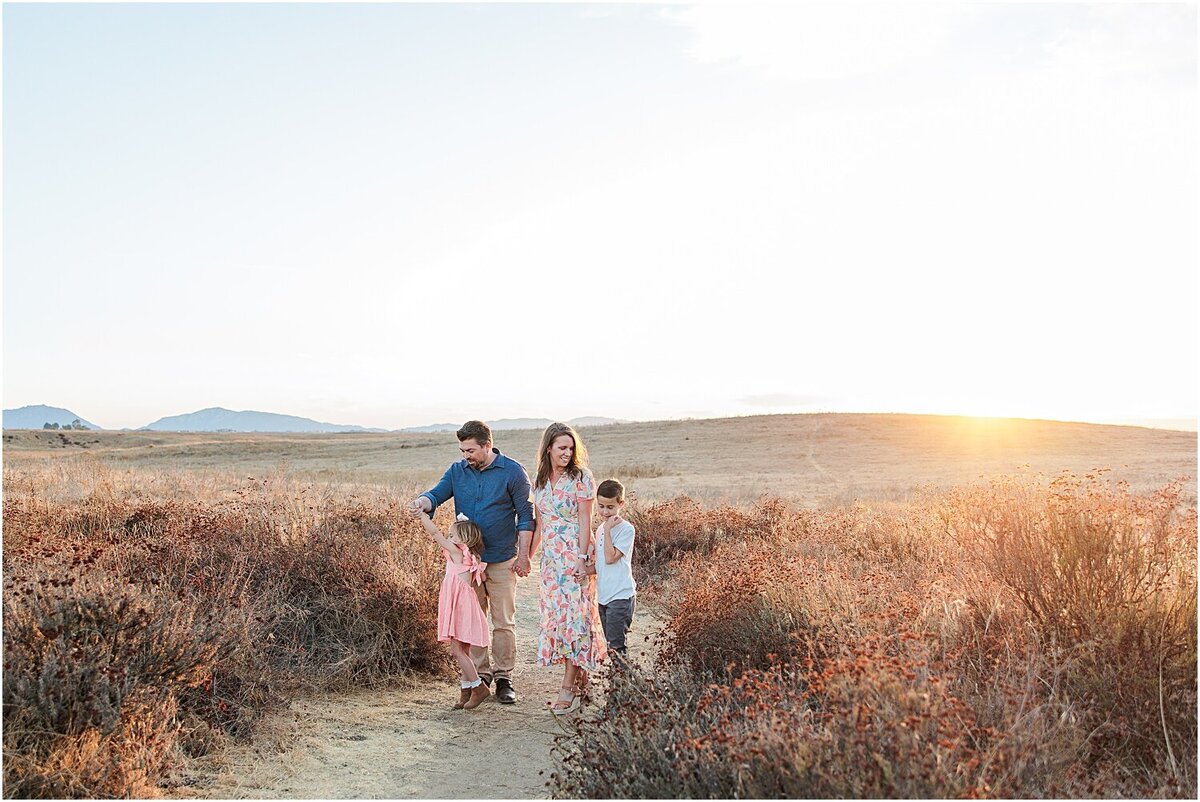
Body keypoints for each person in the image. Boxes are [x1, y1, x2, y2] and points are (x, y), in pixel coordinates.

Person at [408, 421, 534, 705]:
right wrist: (422, 503)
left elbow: (526, 516)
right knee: (471, 622)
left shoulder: (513, 472)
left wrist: (524, 555)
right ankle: (480, 676)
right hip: (468, 564)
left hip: (501, 559)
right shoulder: (457, 471)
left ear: (487, 445)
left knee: (503, 621)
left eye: (471, 450)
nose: (466, 455)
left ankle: (504, 678)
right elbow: (436, 494)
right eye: (463, 450)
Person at [532, 422, 606, 713]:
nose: (567, 452)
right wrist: (525, 556)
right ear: (549, 448)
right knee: (558, 622)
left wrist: (583, 559)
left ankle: (567, 687)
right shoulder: (539, 482)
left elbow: (586, 521)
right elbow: (540, 525)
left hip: (574, 559)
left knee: (576, 621)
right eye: (562, 447)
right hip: (551, 565)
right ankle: (582, 682)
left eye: (571, 447)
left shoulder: (581, 477)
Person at [417, 510, 491, 710]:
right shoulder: (468, 555)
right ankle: (466, 688)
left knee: (456, 651)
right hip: (463, 604)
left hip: (459, 606)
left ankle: (478, 687)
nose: (448, 538)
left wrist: (422, 516)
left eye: (452, 535)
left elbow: (435, 534)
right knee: (464, 650)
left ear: (463, 539)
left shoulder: (458, 552)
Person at [588, 479, 637, 663]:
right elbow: (602, 563)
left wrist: (608, 530)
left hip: (621, 596)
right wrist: (584, 571)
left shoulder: (626, 529)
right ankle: (620, 687)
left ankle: (624, 689)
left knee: (617, 647)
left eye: (610, 507)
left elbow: (611, 557)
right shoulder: (600, 529)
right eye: (601, 506)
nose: (605, 512)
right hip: (604, 597)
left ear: (620, 504)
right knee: (611, 647)